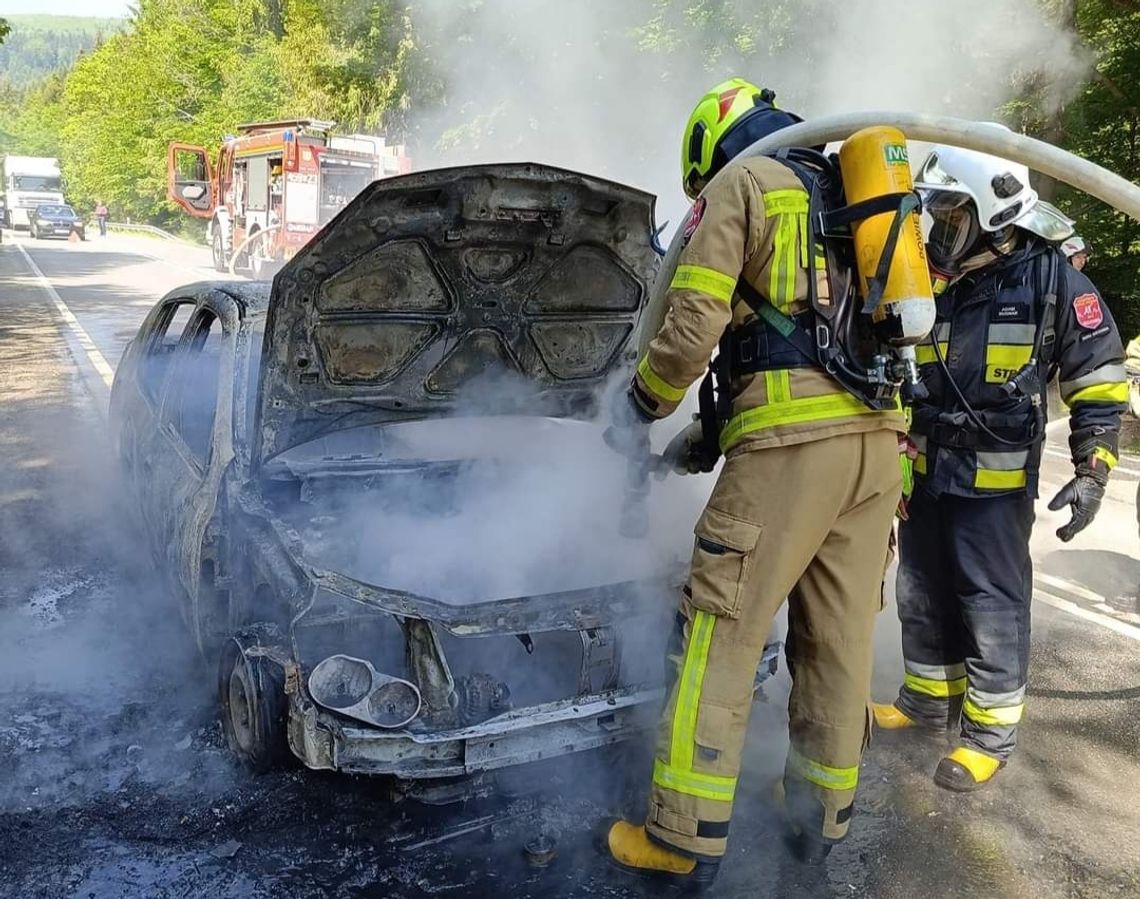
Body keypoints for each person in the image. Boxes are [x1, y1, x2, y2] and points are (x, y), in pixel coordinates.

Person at [600, 78, 905, 889]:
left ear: (710, 148)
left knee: (720, 633)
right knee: (837, 641)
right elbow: (801, 355)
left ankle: (679, 833)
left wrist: (641, 404)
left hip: (793, 454)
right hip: (878, 449)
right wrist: (701, 440)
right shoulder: (851, 196)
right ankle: (819, 819)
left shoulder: (744, 184)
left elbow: (692, 324)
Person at [873, 145, 1127, 792]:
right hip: (925, 470)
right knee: (921, 588)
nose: (939, 231)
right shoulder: (928, 274)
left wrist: (1093, 467)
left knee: (991, 602)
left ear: (994, 217)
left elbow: (1096, 371)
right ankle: (928, 700)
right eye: (937, 216)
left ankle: (988, 734)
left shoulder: (1048, 276)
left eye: (954, 218)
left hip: (996, 481)